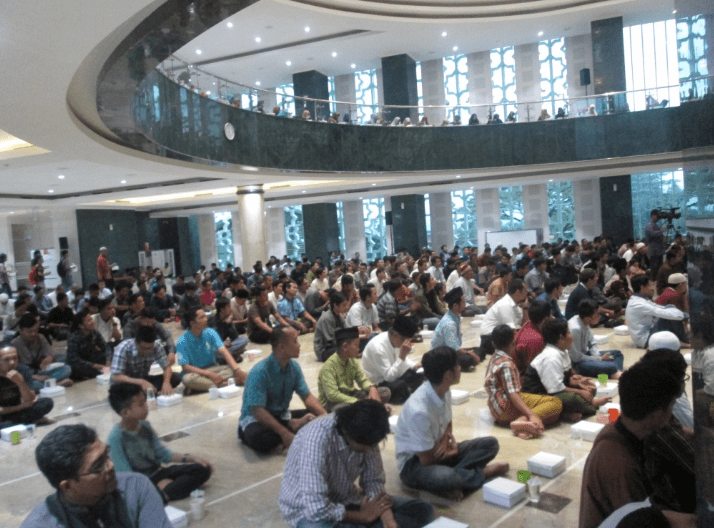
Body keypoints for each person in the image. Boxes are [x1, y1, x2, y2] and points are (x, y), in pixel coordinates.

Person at [280, 399, 434, 528]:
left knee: (423, 510)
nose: (371, 450)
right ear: (349, 434)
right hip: (308, 510)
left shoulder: (367, 432)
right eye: (366, 447)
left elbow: (373, 481)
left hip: (347, 498)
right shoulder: (315, 439)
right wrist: (362, 516)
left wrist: (387, 518)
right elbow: (316, 507)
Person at [578, 362, 690, 528]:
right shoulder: (620, 465)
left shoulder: (627, 428)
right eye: (672, 406)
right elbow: (640, 521)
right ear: (658, 414)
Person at [395, 346, 509, 500]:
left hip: (438, 451)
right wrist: (451, 452)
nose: (460, 368)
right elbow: (426, 460)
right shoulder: (419, 411)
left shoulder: (444, 390)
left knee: (490, 444)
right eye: (457, 366)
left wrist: (447, 439)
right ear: (448, 374)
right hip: (415, 464)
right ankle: (481, 474)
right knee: (446, 477)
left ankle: (455, 481)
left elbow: (448, 422)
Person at [22, 424, 172, 528]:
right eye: (98, 466)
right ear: (67, 486)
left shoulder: (136, 487)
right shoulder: (39, 524)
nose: (111, 466)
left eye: (106, 455)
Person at [107, 383, 212, 502]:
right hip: (140, 483)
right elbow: (127, 477)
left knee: (203, 469)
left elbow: (163, 454)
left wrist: (191, 458)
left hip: (158, 473)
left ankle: (165, 490)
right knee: (137, 495)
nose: (146, 406)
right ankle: (162, 493)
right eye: (141, 404)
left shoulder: (145, 426)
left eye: (145, 401)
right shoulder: (116, 437)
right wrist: (150, 485)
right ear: (125, 412)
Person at [238, 326, 327, 453]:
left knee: (323, 413)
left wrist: (325, 416)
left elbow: (307, 396)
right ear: (281, 347)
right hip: (255, 420)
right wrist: (285, 433)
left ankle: (290, 427)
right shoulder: (260, 372)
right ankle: (290, 427)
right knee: (260, 438)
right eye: (295, 341)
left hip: (280, 415)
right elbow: (257, 411)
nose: (299, 345)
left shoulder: (294, 367)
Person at [522, 319, 611, 422]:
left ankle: (570, 412)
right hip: (539, 395)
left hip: (553, 390)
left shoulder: (562, 351)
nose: (571, 337)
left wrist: (579, 382)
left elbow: (565, 378)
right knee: (573, 398)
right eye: (568, 333)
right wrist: (580, 392)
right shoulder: (551, 357)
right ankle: (590, 406)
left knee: (590, 388)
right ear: (561, 338)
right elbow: (556, 389)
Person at [484, 325, 562, 439]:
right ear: (513, 341)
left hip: (495, 409)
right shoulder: (507, 364)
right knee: (556, 403)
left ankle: (524, 425)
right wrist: (531, 415)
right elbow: (512, 393)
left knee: (553, 417)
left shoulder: (494, 357)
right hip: (505, 407)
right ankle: (523, 420)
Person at [318, 327, 391, 411]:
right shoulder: (328, 367)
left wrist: (372, 388)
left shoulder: (352, 360)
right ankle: (368, 407)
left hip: (351, 395)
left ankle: (366, 407)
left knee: (385, 392)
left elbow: (362, 380)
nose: (358, 348)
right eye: (356, 345)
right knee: (340, 409)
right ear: (345, 346)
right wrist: (357, 401)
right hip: (333, 402)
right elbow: (332, 395)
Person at [176, 308, 247, 391]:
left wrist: (236, 370)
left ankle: (205, 386)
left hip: (213, 368)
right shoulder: (182, 341)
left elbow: (224, 351)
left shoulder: (210, 332)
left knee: (232, 370)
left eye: (205, 316)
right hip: (195, 373)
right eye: (202, 317)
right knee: (187, 379)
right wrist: (209, 374)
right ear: (192, 323)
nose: (206, 319)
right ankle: (226, 383)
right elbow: (186, 367)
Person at [362, 315, 424, 404]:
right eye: (406, 340)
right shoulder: (378, 348)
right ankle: (407, 389)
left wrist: (415, 366)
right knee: (399, 387)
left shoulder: (395, 340)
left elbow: (404, 359)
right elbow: (389, 377)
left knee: (419, 374)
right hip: (380, 381)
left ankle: (407, 389)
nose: (408, 343)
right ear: (395, 335)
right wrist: (402, 356)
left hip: (395, 373)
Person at [111, 326, 182, 394]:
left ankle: (149, 392)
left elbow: (167, 367)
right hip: (127, 382)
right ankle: (149, 392)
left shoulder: (156, 346)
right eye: (144, 348)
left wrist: (166, 382)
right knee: (124, 390)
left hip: (144, 378)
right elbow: (116, 377)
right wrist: (141, 382)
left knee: (176, 377)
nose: (147, 351)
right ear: (137, 342)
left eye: (150, 348)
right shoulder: (123, 348)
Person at [625, 275, 689, 348]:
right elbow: (661, 312)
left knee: (671, 310)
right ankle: (685, 340)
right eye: (649, 285)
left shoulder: (639, 300)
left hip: (648, 332)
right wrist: (686, 316)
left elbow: (661, 308)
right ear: (642, 287)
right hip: (645, 340)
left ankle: (683, 339)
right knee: (670, 316)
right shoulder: (638, 304)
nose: (652, 289)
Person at [12, 313, 73, 390]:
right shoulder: (14, 345)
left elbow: (50, 353)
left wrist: (49, 358)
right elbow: (15, 371)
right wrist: (35, 377)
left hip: (42, 371)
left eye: (35, 330)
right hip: (29, 376)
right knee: (31, 384)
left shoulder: (40, 337)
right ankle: (56, 384)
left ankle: (48, 384)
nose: (33, 334)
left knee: (66, 368)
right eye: (29, 332)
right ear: (21, 331)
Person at [568, 299, 624, 379]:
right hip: (578, 364)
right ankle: (614, 372)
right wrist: (598, 359)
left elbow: (592, 342)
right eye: (597, 315)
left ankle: (615, 373)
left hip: (586, 356)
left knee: (617, 354)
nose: (600, 317)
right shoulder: (575, 329)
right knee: (611, 366)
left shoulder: (584, 321)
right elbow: (576, 357)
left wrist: (597, 356)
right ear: (588, 318)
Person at [0, 346, 53, 429]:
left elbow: (30, 400)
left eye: (15, 358)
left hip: (19, 411)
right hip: (5, 412)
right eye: (6, 359)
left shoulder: (23, 370)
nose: (12, 363)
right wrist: (21, 407)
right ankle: (29, 421)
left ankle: (17, 424)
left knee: (47, 402)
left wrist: (21, 383)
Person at [431, 287, 479, 371]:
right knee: (469, 360)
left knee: (479, 350)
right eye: (463, 302)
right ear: (455, 305)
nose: (465, 304)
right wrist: (469, 354)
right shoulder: (449, 324)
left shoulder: (455, 317)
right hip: (442, 356)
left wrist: (469, 352)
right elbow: (453, 349)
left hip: (451, 351)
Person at [479, 279, 529, 359]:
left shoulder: (515, 304)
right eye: (525, 290)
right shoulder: (505, 305)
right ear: (517, 292)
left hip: (501, 336)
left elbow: (526, 325)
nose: (527, 293)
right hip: (490, 339)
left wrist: (525, 308)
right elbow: (512, 332)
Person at [512, 300, 552, 378]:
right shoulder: (536, 340)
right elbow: (535, 369)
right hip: (524, 379)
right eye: (551, 315)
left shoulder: (529, 323)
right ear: (546, 319)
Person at [66, 311, 108, 380]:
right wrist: (94, 365)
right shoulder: (73, 337)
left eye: (91, 319)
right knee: (94, 371)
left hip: (91, 360)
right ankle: (101, 373)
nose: (92, 322)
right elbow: (74, 359)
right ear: (81, 326)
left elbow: (106, 347)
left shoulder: (95, 333)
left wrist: (108, 361)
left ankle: (106, 372)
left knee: (106, 356)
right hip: (79, 364)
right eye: (89, 320)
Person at [314, 292, 352, 362]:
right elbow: (331, 340)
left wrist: (357, 332)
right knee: (347, 348)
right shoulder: (327, 317)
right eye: (344, 305)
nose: (346, 307)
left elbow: (347, 329)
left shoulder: (337, 315)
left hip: (335, 344)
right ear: (335, 305)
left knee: (355, 343)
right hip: (324, 350)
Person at [208, 298, 248, 362]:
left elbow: (235, 338)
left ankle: (227, 355)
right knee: (213, 350)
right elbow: (208, 341)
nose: (231, 309)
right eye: (229, 306)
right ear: (222, 309)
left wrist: (229, 325)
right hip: (214, 347)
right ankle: (230, 354)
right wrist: (222, 343)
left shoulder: (228, 319)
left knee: (244, 340)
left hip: (224, 347)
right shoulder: (211, 320)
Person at [645, 209, 667, 281]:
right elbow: (653, 234)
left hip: (658, 250)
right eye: (657, 216)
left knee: (659, 267)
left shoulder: (655, 224)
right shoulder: (649, 225)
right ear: (653, 216)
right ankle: (654, 282)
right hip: (654, 251)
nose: (658, 218)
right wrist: (661, 230)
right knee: (654, 269)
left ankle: (659, 281)